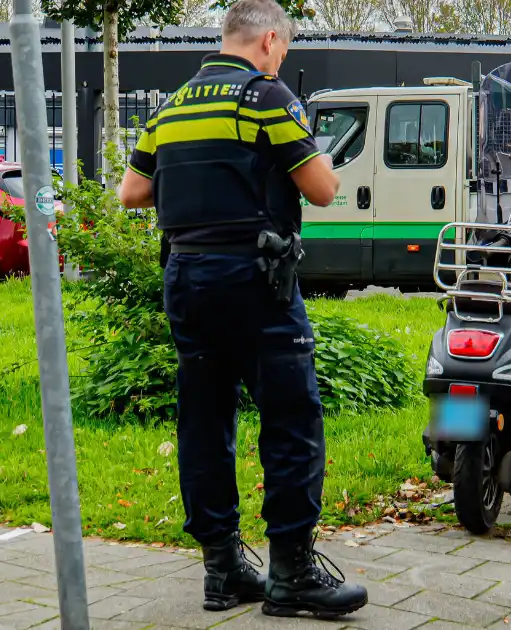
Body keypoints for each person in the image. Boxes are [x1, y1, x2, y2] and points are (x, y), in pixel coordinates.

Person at [117, 0, 367, 618]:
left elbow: (132, 193)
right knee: (290, 419)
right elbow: (323, 190)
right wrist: (322, 155)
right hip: (256, 280)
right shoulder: (269, 99)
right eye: (284, 49)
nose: (283, 58)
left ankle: (223, 569)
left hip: (187, 278)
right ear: (270, 41)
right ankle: (291, 575)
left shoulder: (172, 106)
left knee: (204, 420)